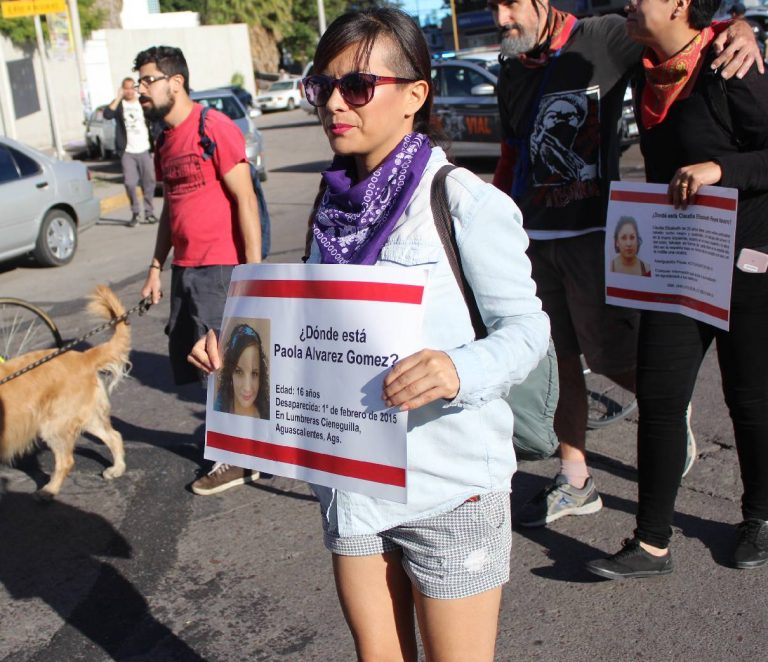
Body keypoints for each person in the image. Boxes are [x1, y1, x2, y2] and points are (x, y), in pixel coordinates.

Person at [189, 8, 550, 659]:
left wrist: (457, 370)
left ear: (415, 95)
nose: (333, 102)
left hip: (450, 487)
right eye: (320, 85)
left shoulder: (464, 202)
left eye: (356, 86)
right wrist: (238, 357)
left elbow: (527, 330)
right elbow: (316, 345)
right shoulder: (332, 210)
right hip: (352, 487)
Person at [487, 0, 760, 528]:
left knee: (611, 354)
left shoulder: (605, 36)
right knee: (560, 359)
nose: (502, 19)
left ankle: (668, 405)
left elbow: (679, 33)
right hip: (532, 239)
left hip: (595, 234)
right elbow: (511, 153)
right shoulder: (512, 70)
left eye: (511, 4)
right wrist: (496, 224)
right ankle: (575, 479)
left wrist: (739, 28)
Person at [586, 0, 768, 579]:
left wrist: (720, 170)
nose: (630, 3)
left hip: (747, 259)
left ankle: (760, 519)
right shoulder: (642, 64)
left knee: (750, 399)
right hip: (678, 264)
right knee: (662, 399)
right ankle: (650, 544)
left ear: (681, 4)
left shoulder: (729, 63)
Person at [134, 46, 263, 496]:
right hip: (186, 270)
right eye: (139, 80)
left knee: (224, 365)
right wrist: (156, 267)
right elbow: (172, 209)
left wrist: (255, 274)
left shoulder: (214, 127)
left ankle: (238, 459)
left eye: (148, 80)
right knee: (204, 365)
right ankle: (240, 446)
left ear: (176, 82)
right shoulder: (165, 141)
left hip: (220, 265)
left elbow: (245, 198)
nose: (140, 89)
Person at [103, 77, 158, 227]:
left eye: (131, 87)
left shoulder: (143, 103)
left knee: (149, 181)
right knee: (130, 183)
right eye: (125, 88)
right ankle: (135, 212)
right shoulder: (120, 105)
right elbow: (107, 114)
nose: (129, 91)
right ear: (122, 89)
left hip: (144, 148)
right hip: (127, 151)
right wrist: (118, 97)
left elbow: (155, 118)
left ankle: (149, 212)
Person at [214, 323, 269, 419]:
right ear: (230, 373)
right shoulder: (220, 409)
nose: (247, 388)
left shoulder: (268, 415)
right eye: (239, 372)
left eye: (254, 373)